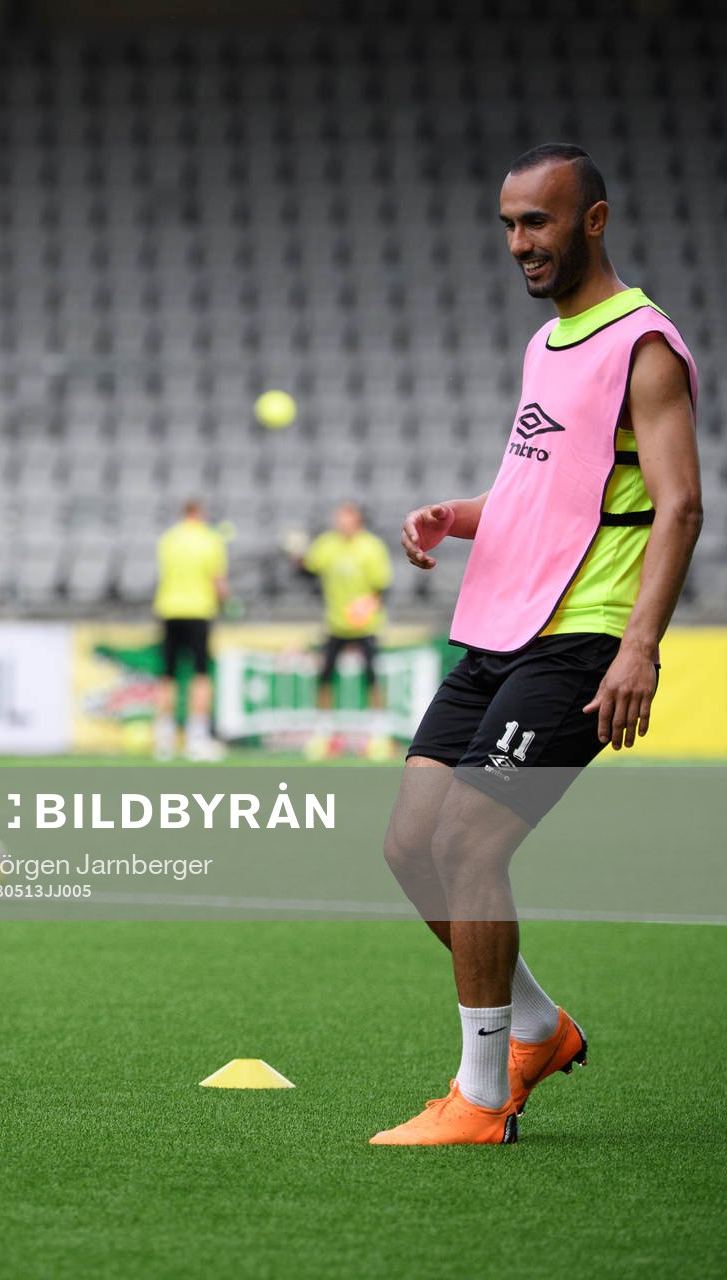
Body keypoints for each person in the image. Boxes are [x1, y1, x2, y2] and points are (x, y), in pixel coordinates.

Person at [374, 144, 701, 1146]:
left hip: (582, 635)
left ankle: (480, 1097)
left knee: (472, 843)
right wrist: (461, 513)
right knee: (409, 846)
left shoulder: (642, 343)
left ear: (591, 221)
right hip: (496, 626)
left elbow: (680, 504)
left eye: (540, 222)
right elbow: (545, 489)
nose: (521, 241)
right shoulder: (547, 343)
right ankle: (535, 1024)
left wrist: (638, 646)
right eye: (511, 223)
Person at [296, 502, 393, 758]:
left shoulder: (371, 547)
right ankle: (323, 733)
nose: (341, 523)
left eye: (346, 519)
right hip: (335, 623)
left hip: (366, 624)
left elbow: (382, 587)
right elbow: (306, 569)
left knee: (372, 676)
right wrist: (297, 554)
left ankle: (378, 734)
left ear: (357, 520)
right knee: (325, 676)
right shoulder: (327, 544)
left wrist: (367, 606)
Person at [152, 499, 229, 761]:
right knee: (200, 675)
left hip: (169, 610)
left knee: (168, 675)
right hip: (198, 611)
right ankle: (197, 738)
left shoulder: (169, 539)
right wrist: (226, 602)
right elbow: (217, 581)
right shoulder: (210, 539)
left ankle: (165, 738)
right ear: (201, 514)